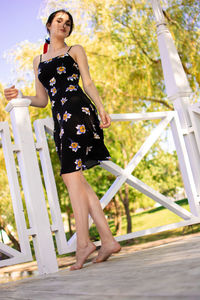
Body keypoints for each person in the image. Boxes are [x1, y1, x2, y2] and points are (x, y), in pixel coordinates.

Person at [4, 9, 121, 271]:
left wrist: (101, 107)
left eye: (68, 23)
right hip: (60, 119)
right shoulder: (38, 61)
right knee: (75, 178)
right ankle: (107, 239)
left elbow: (87, 83)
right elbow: (42, 100)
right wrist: (20, 96)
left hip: (78, 110)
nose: (64, 25)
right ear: (48, 25)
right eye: (59, 21)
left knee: (71, 176)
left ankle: (83, 243)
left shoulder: (75, 50)